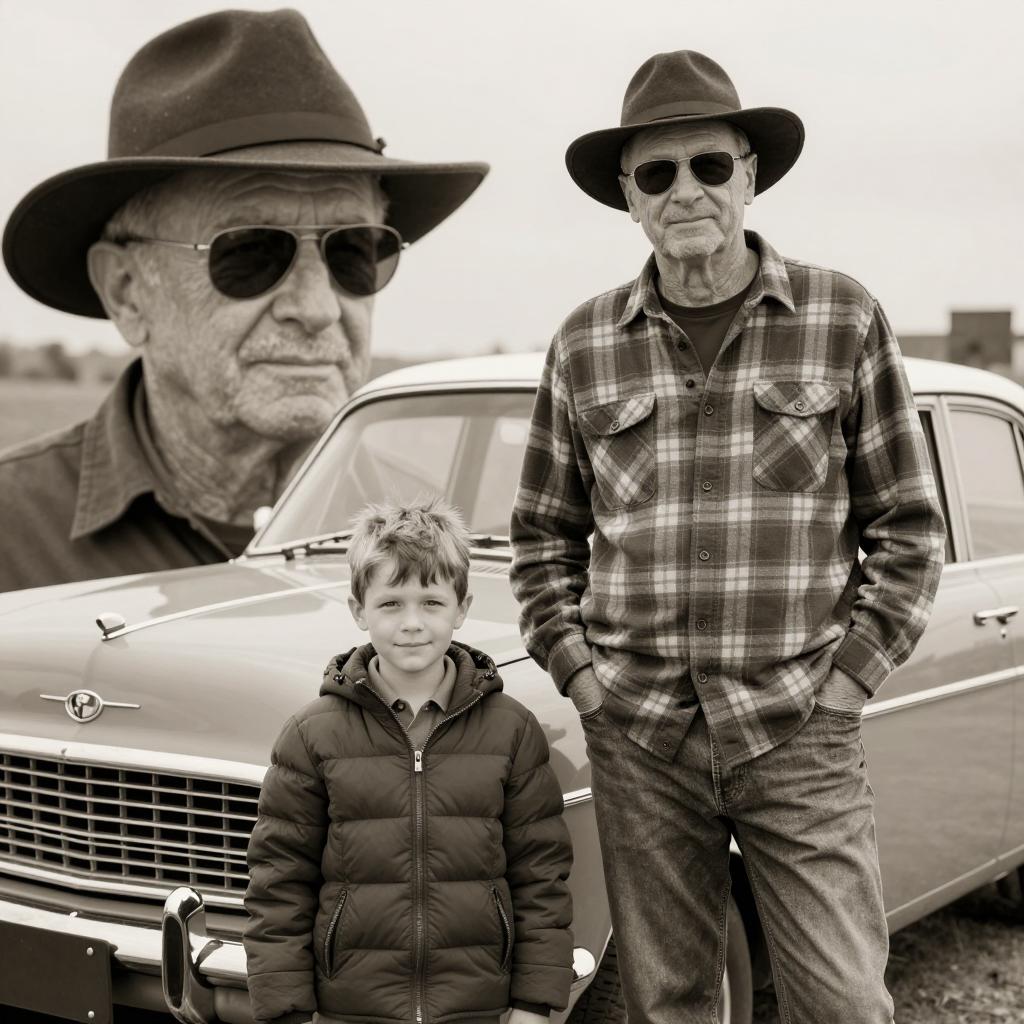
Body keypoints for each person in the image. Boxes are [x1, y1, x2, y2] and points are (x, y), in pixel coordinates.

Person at [509, 50, 946, 1024]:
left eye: (709, 164)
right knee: (668, 1001)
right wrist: (586, 683)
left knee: (843, 1000)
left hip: (798, 725)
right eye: (656, 172)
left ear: (749, 176)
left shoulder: (841, 317)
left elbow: (909, 530)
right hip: (639, 736)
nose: (686, 190)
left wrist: (844, 688)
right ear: (629, 197)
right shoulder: (583, 343)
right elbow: (541, 538)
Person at [0, 9, 487, 593]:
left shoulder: (444, 538)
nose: (318, 308)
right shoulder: (13, 535)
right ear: (127, 292)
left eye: (352, 251)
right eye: (252, 251)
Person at [244, 498, 573, 1024]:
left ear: (461, 608)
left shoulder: (512, 730)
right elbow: (279, 883)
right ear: (359, 610)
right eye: (391, 604)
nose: (412, 623)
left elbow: (542, 878)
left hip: (478, 1007)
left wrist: (534, 1003)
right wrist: (287, 1010)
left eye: (432, 602)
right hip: (350, 1009)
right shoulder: (312, 734)